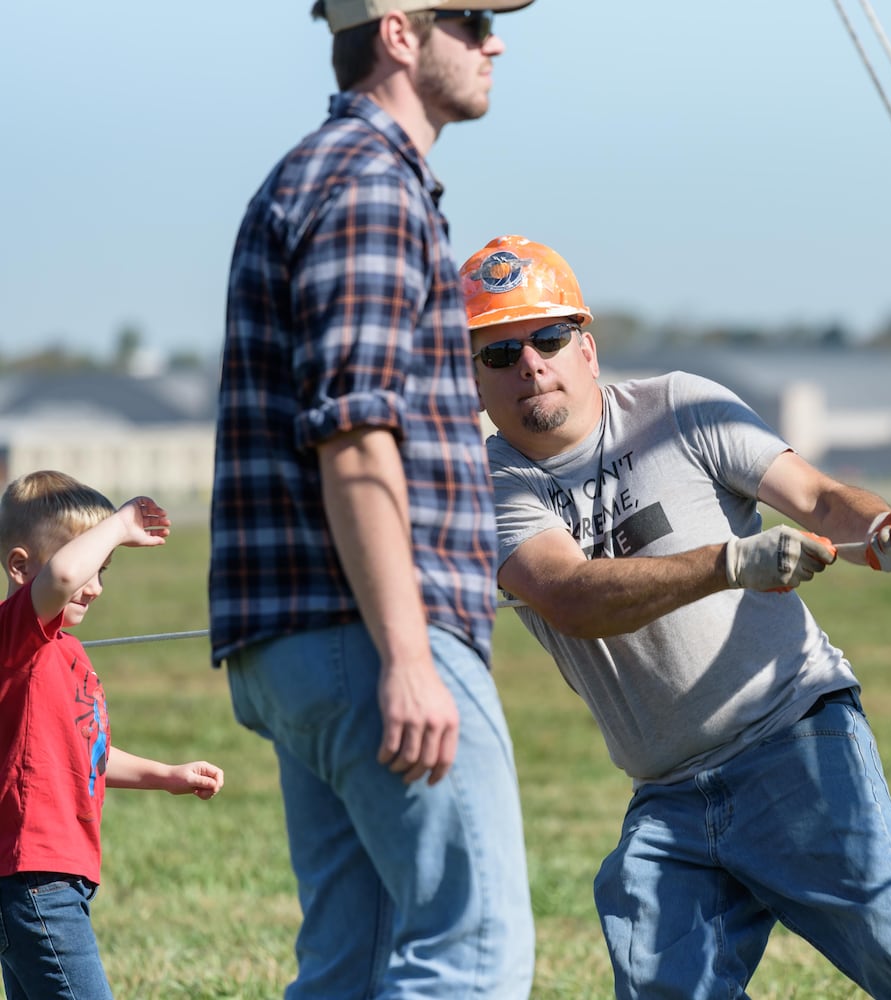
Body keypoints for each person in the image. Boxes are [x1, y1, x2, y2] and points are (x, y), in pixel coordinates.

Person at [460, 235, 891, 1000]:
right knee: (661, 988)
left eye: (547, 338)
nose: (530, 365)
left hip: (793, 734)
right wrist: (731, 563)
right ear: (471, 378)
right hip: (669, 790)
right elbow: (569, 596)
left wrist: (882, 532)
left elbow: (819, 501)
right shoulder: (486, 485)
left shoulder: (679, 407)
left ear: (588, 348)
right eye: (498, 352)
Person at [209, 3, 537, 996]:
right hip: (372, 634)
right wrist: (406, 655)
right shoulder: (368, 188)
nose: (496, 42)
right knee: (468, 954)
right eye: (472, 19)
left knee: (351, 963)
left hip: (307, 642)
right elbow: (354, 436)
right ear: (400, 32)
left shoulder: (326, 176)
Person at [0, 470, 224, 1000]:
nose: (95, 585)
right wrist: (120, 522)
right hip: (34, 878)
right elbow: (57, 579)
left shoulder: (69, 653)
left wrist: (164, 776)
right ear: (19, 567)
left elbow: (87, 753)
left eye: (105, 569)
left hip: (59, 878)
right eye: (87, 565)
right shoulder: (12, 637)